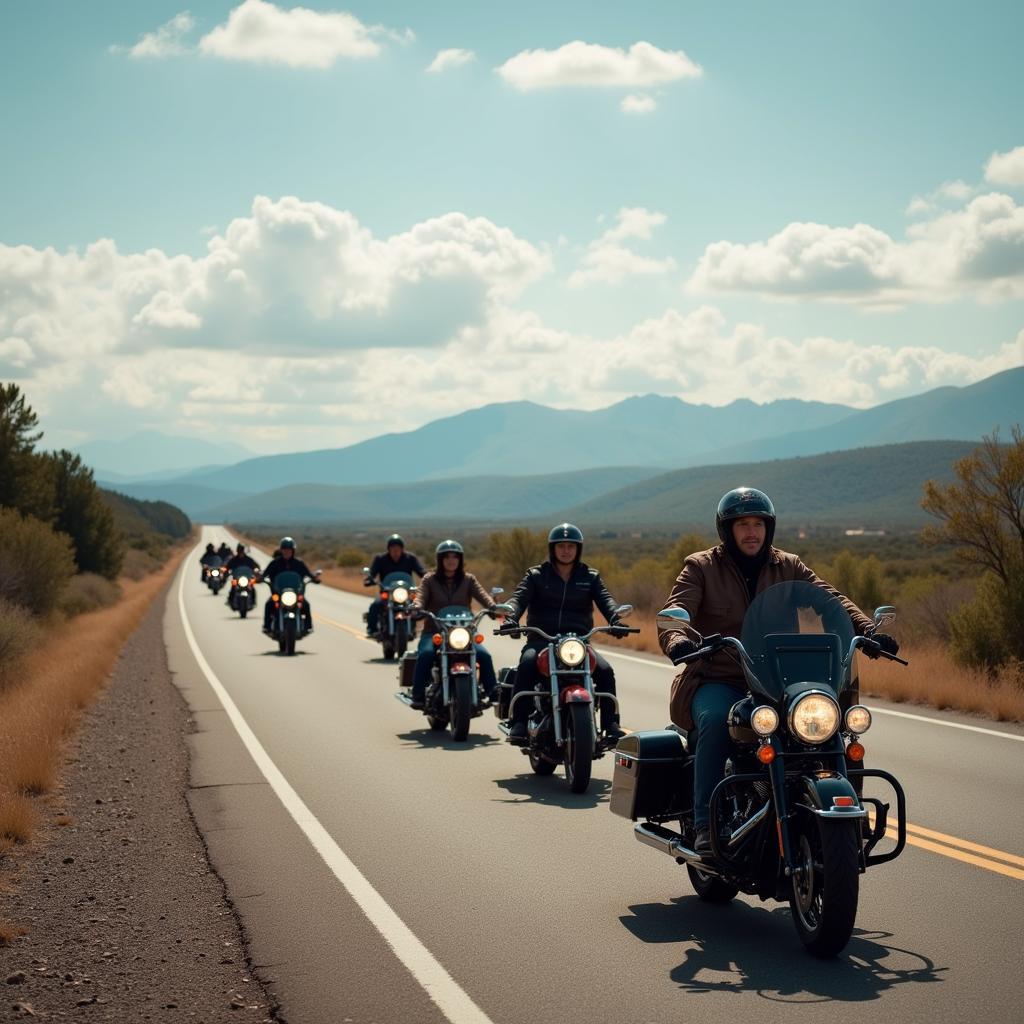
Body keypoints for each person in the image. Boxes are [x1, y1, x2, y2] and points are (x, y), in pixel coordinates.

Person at [657, 487, 900, 857]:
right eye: (742, 524)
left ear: (769, 528)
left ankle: (849, 815)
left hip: (779, 681)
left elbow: (829, 598)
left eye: (758, 524)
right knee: (716, 721)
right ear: (727, 530)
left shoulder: (788, 565)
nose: (751, 532)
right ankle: (706, 823)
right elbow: (677, 608)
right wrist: (676, 638)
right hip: (722, 678)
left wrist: (868, 629)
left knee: (832, 722)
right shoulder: (702, 567)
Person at [502, 523, 627, 744]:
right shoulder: (536, 575)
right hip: (542, 640)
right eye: (561, 546)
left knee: (605, 671)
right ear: (553, 548)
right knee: (527, 664)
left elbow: (606, 601)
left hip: (577, 643)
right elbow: (518, 599)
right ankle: (518, 723)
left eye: (571, 546)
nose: (566, 550)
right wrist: (511, 616)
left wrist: (615, 619)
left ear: (578, 549)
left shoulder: (590, 576)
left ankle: (611, 724)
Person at [409, 540, 500, 709]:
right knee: (426, 654)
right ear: (440, 560)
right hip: (434, 632)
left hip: (464, 633)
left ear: (460, 560)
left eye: (455, 557)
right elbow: (420, 597)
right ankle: (418, 695)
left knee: (484, 655)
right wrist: (416, 607)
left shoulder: (468, 580)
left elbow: (483, 596)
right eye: (447, 557)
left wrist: (494, 607)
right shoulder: (429, 580)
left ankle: (493, 692)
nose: (451, 560)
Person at [364, 534, 426, 636]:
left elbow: (421, 571)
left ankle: (414, 628)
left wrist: (429, 578)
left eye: (398, 548)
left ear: (402, 549)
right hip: (387, 592)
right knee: (375, 605)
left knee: (418, 606)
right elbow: (372, 573)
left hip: (406, 592)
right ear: (388, 549)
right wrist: (368, 579)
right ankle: (372, 629)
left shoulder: (410, 559)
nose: (395, 551)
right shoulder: (380, 559)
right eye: (393, 548)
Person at [261, 536, 320, 635]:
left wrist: (314, 578)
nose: (286, 552)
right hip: (278, 594)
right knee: (269, 604)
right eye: (284, 550)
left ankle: (308, 627)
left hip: (295, 594)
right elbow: (265, 574)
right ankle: (267, 627)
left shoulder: (299, 563)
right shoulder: (275, 563)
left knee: (306, 605)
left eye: (289, 550)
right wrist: (260, 578)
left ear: (293, 551)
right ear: (281, 550)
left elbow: (308, 574)